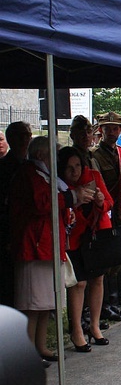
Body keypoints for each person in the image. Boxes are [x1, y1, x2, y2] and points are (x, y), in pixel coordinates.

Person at [10, 137, 93, 364]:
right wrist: (72, 197)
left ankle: (40, 346)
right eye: (53, 155)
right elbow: (42, 203)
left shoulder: (44, 175)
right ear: (40, 156)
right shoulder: (30, 174)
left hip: (47, 244)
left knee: (45, 301)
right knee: (32, 303)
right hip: (33, 245)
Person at [58, 146, 113, 352]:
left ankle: (95, 326)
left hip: (95, 236)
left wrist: (100, 202)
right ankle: (76, 330)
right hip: (73, 238)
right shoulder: (60, 185)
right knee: (78, 283)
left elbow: (109, 202)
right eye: (69, 168)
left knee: (97, 279)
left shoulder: (93, 176)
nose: (75, 171)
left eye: (78, 166)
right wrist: (76, 200)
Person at [92, 111, 121, 322]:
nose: (112, 132)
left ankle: (116, 300)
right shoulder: (95, 155)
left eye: (115, 128)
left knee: (120, 257)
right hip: (105, 211)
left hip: (120, 211)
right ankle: (106, 303)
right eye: (107, 128)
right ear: (101, 130)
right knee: (107, 259)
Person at [0, 121, 33, 307]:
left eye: (26, 136)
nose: (23, 140)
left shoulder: (32, 165)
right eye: (19, 136)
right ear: (11, 139)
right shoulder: (5, 167)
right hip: (10, 231)